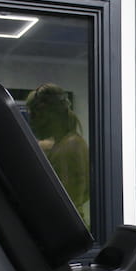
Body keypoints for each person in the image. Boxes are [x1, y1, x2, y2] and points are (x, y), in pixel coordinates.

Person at [25, 83, 90, 224]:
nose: (31, 122)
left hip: (66, 228)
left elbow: (69, 202)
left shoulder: (71, 145)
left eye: (35, 115)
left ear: (49, 114)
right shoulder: (64, 144)